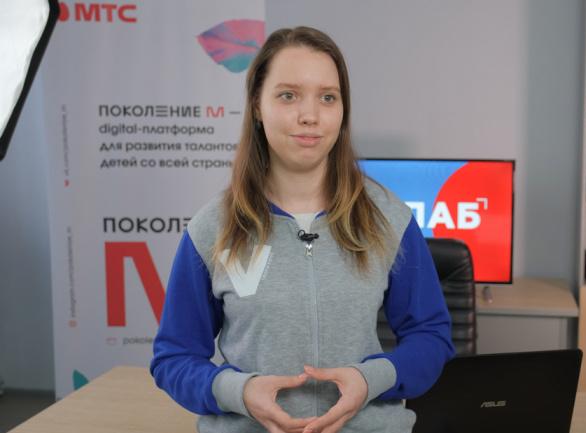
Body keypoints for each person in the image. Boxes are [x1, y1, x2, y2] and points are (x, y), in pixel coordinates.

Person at [150, 26, 455, 433]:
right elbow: (174, 358)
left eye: (327, 97)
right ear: (257, 106)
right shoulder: (212, 229)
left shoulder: (388, 219)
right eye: (288, 95)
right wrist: (239, 391)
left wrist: (370, 379)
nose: (309, 115)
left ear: (342, 110)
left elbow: (431, 337)